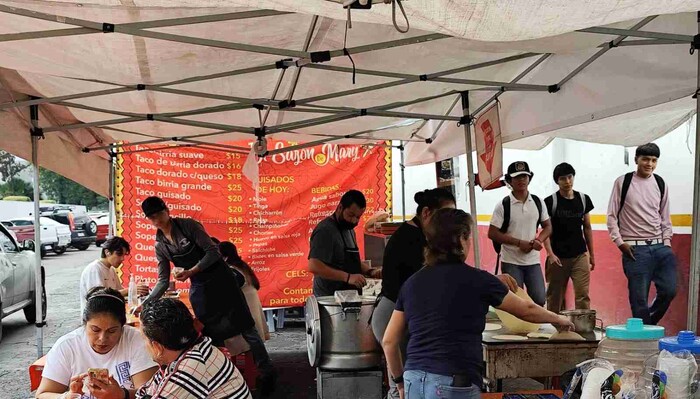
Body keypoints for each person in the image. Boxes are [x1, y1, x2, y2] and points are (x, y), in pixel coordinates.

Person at [383, 208, 574, 399]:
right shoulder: (478, 280)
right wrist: (558, 318)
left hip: (413, 380)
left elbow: (389, 341)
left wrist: (400, 382)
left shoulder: (412, 283)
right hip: (453, 382)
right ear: (461, 239)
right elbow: (526, 310)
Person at [139, 196, 276, 396]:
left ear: (166, 211)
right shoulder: (160, 245)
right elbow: (163, 280)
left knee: (245, 327)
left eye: (159, 213)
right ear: (149, 219)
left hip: (222, 280)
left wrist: (191, 271)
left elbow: (213, 252)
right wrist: (147, 303)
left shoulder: (189, 226)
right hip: (200, 288)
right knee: (207, 332)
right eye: (152, 217)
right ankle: (214, 374)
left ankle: (266, 372)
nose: (157, 219)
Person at [370, 188, 456, 399]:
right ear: (426, 213)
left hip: (396, 313)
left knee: (406, 386)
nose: (447, 221)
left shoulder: (419, 235)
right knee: (402, 387)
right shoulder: (411, 241)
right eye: (444, 215)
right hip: (393, 315)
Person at [36, 287, 158, 399]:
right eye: (95, 330)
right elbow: (42, 394)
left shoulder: (137, 340)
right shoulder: (67, 346)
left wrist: (121, 395)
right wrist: (67, 397)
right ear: (84, 324)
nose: (102, 339)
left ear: (123, 326)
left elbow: (147, 394)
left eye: (112, 331)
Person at [607, 143, 676, 325]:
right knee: (639, 301)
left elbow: (665, 217)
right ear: (637, 159)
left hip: (661, 247)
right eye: (645, 159)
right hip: (635, 250)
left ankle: (648, 325)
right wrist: (620, 243)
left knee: (670, 290)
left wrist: (667, 243)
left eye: (654, 160)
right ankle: (643, 337)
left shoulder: (660, 183)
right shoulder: (623, 182)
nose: (649, 164)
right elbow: (612, 217)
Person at [135, 298, 252, 399]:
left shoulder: (189, 368)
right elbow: (145, 392)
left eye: (144, 339)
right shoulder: (195, 346)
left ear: (157, 347)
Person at [488, 161, 552, 306]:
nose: (522, 180)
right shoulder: (503, 205)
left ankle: (533, 326)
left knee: (539, 298)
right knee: (517, 301)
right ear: (510, 181)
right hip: (511, 260)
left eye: (525, 176)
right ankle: (520, 328)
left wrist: (539, 240)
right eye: (517, 177)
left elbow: (548, 226)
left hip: (532, 260)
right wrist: (518, 243)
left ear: (529, 178)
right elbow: (492, 233)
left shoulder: (538, 202)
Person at [543, 163, 595, 313]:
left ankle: (583, 328)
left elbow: (587, 227)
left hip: (580, 255)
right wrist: (550, 254)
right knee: (555, 296)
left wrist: (591, 255)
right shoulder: (550, 202)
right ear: (557, 181)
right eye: (562, 178)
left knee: (582, 295)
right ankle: (556, 328)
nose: (567, 181)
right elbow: (546, 230)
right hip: (558, 257)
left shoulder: (584, 199)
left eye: (570, 177)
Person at [308, 189, 380, 297]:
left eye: (358, 217)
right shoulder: (325, 230)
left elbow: (351, 261)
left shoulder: (349, 230)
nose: (354, 221)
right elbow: (314, 266)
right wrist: (347, 277)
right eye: (351, 215)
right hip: (330, 300)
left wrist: (370, 271)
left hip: (349, 298)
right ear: (340, 208)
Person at [79, 237, 148, 314]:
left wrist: (137, 291)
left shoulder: (111, 270)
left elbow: (119, 293)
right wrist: (131, 289)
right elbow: (100, 297)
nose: (122, 259)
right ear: (107, 252)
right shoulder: (94, 269)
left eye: (124, 255)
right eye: (119, 254)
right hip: (96, 317)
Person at [219, 240, 270, 342]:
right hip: (252, 317)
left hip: (246, 320)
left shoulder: (232, 271)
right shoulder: (241, 266)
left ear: (225, 256)